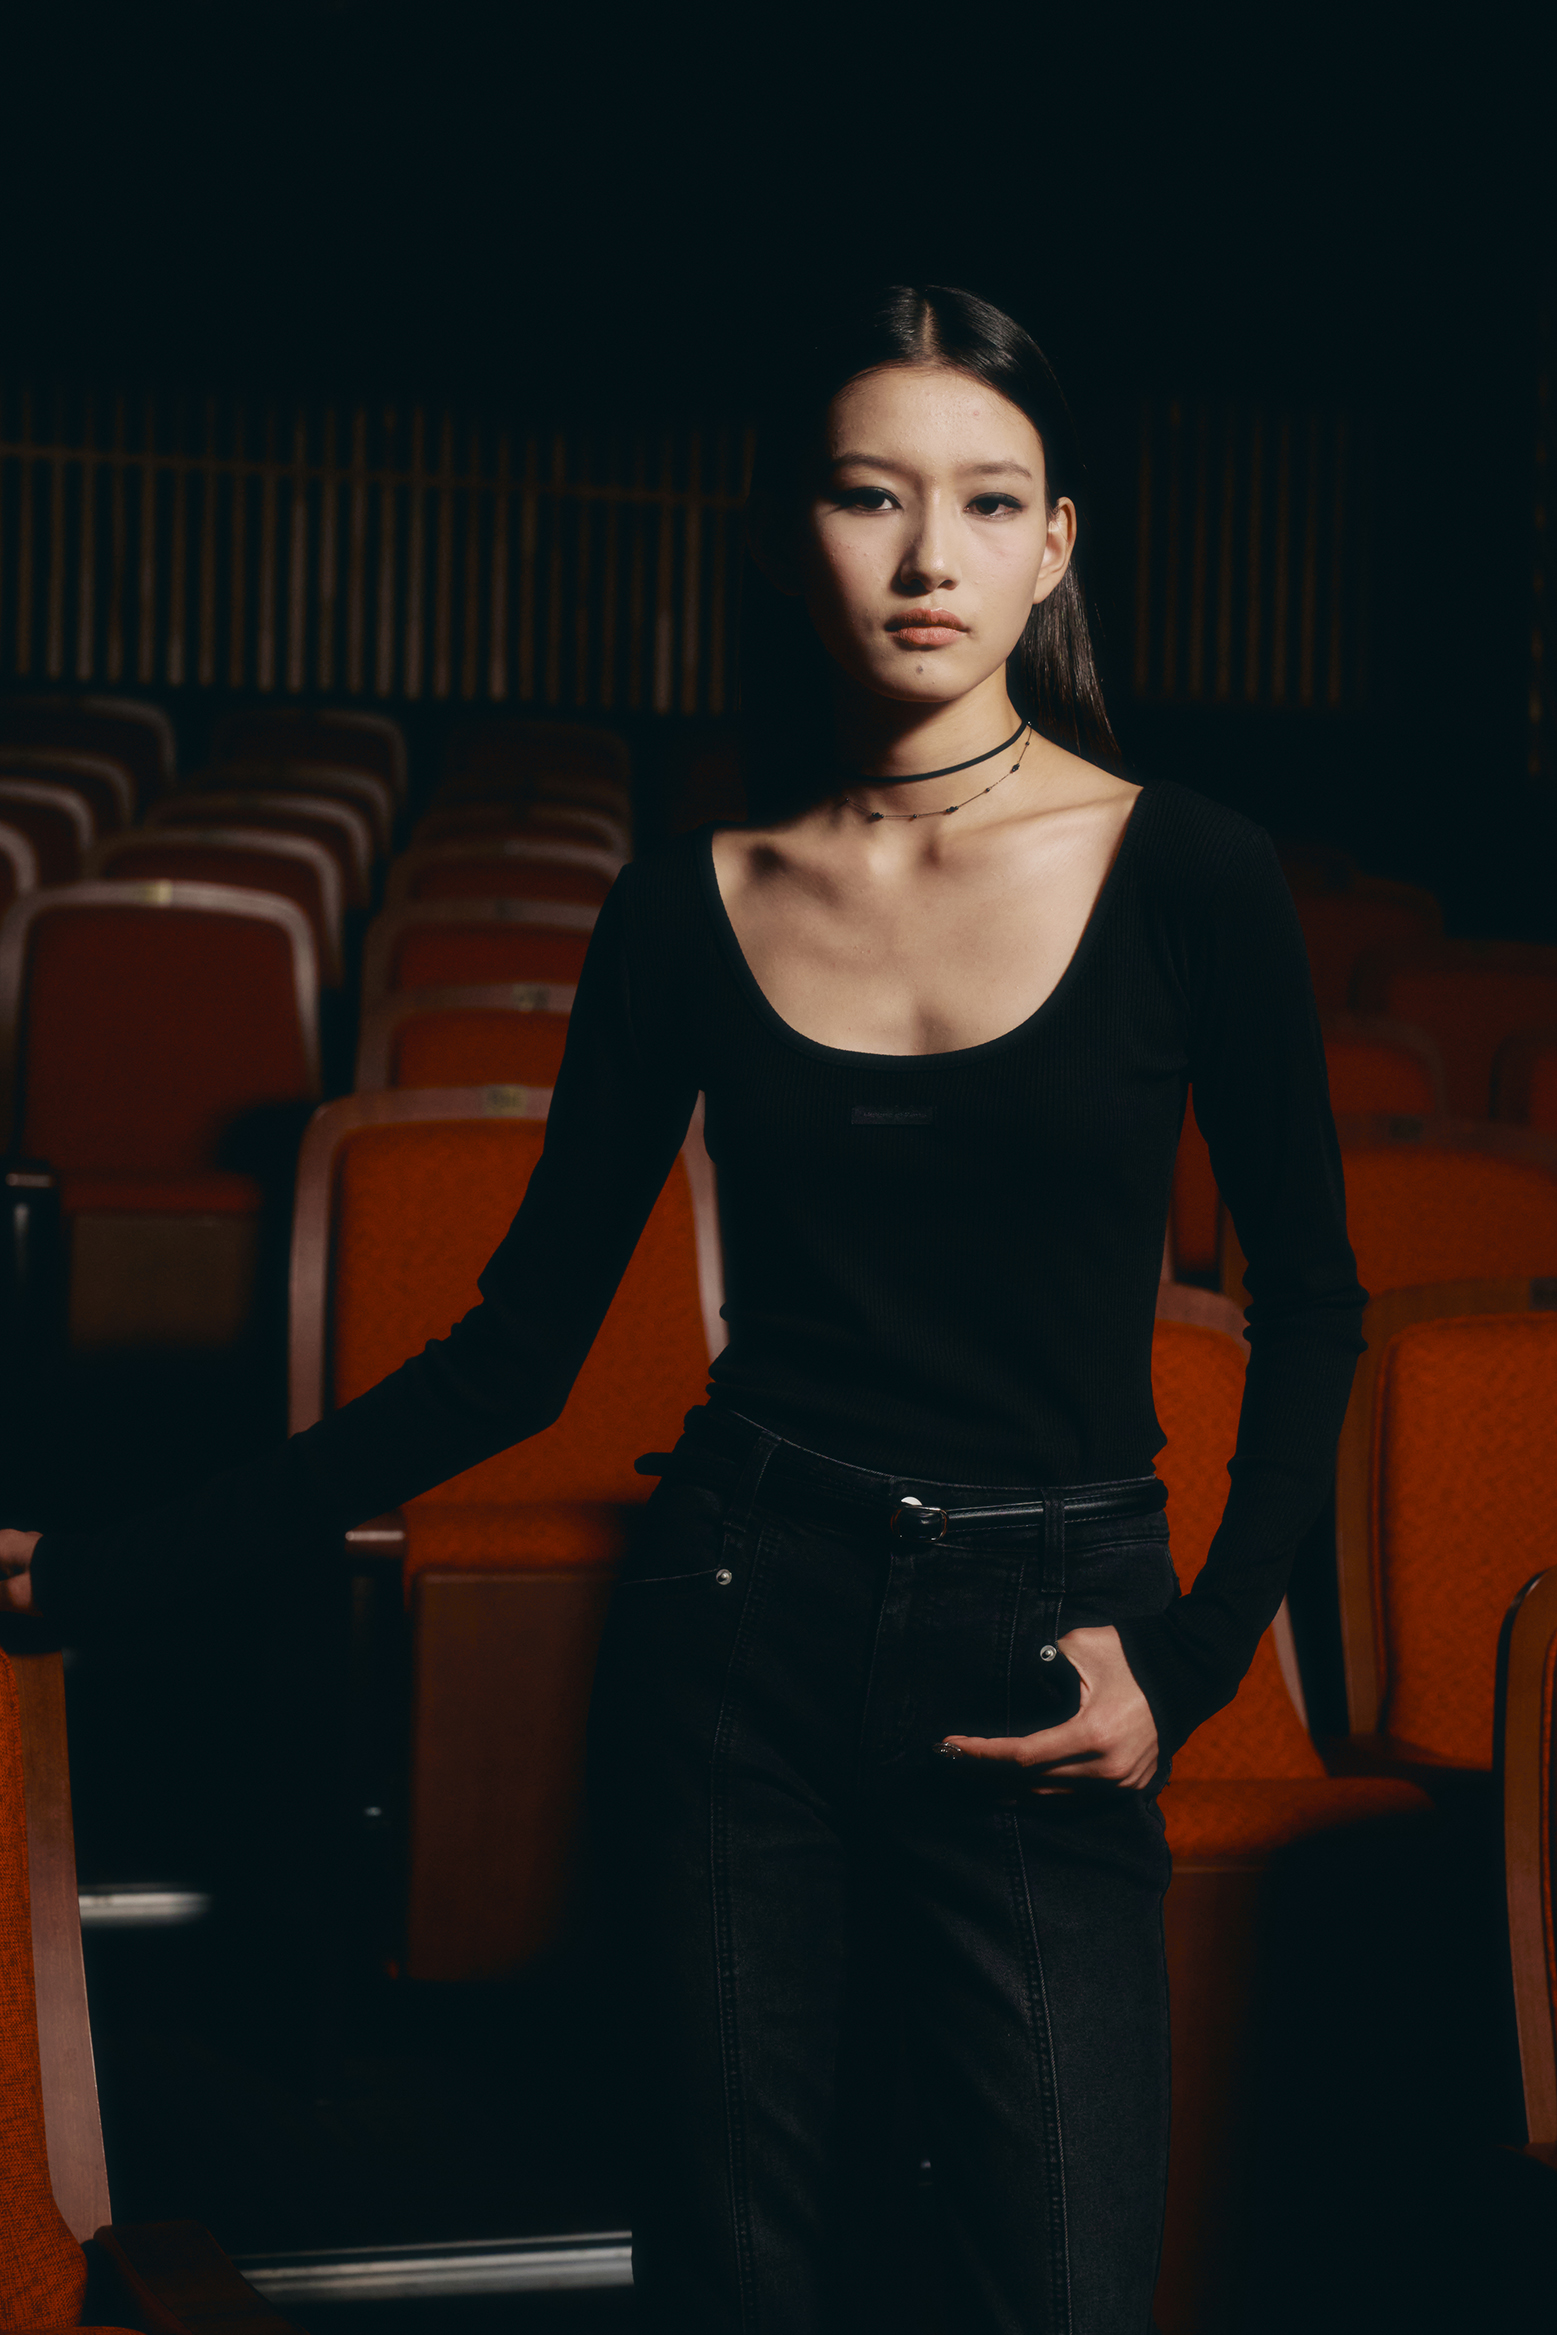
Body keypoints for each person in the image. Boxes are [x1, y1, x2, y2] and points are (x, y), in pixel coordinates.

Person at [0, 285, 1364, 2333]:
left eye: (988, 502)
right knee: (736, 2284)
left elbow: (1315, 1310)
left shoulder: (1192, 875)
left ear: (1055, 547)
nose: (928, 556)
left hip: (1046, 1636)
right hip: (740, 1625)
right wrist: (100, 1567)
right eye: (868, 496)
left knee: (1062, 2287)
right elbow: (513, 1355)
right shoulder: (683, 901)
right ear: (785, 535)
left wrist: (1182, 1666)